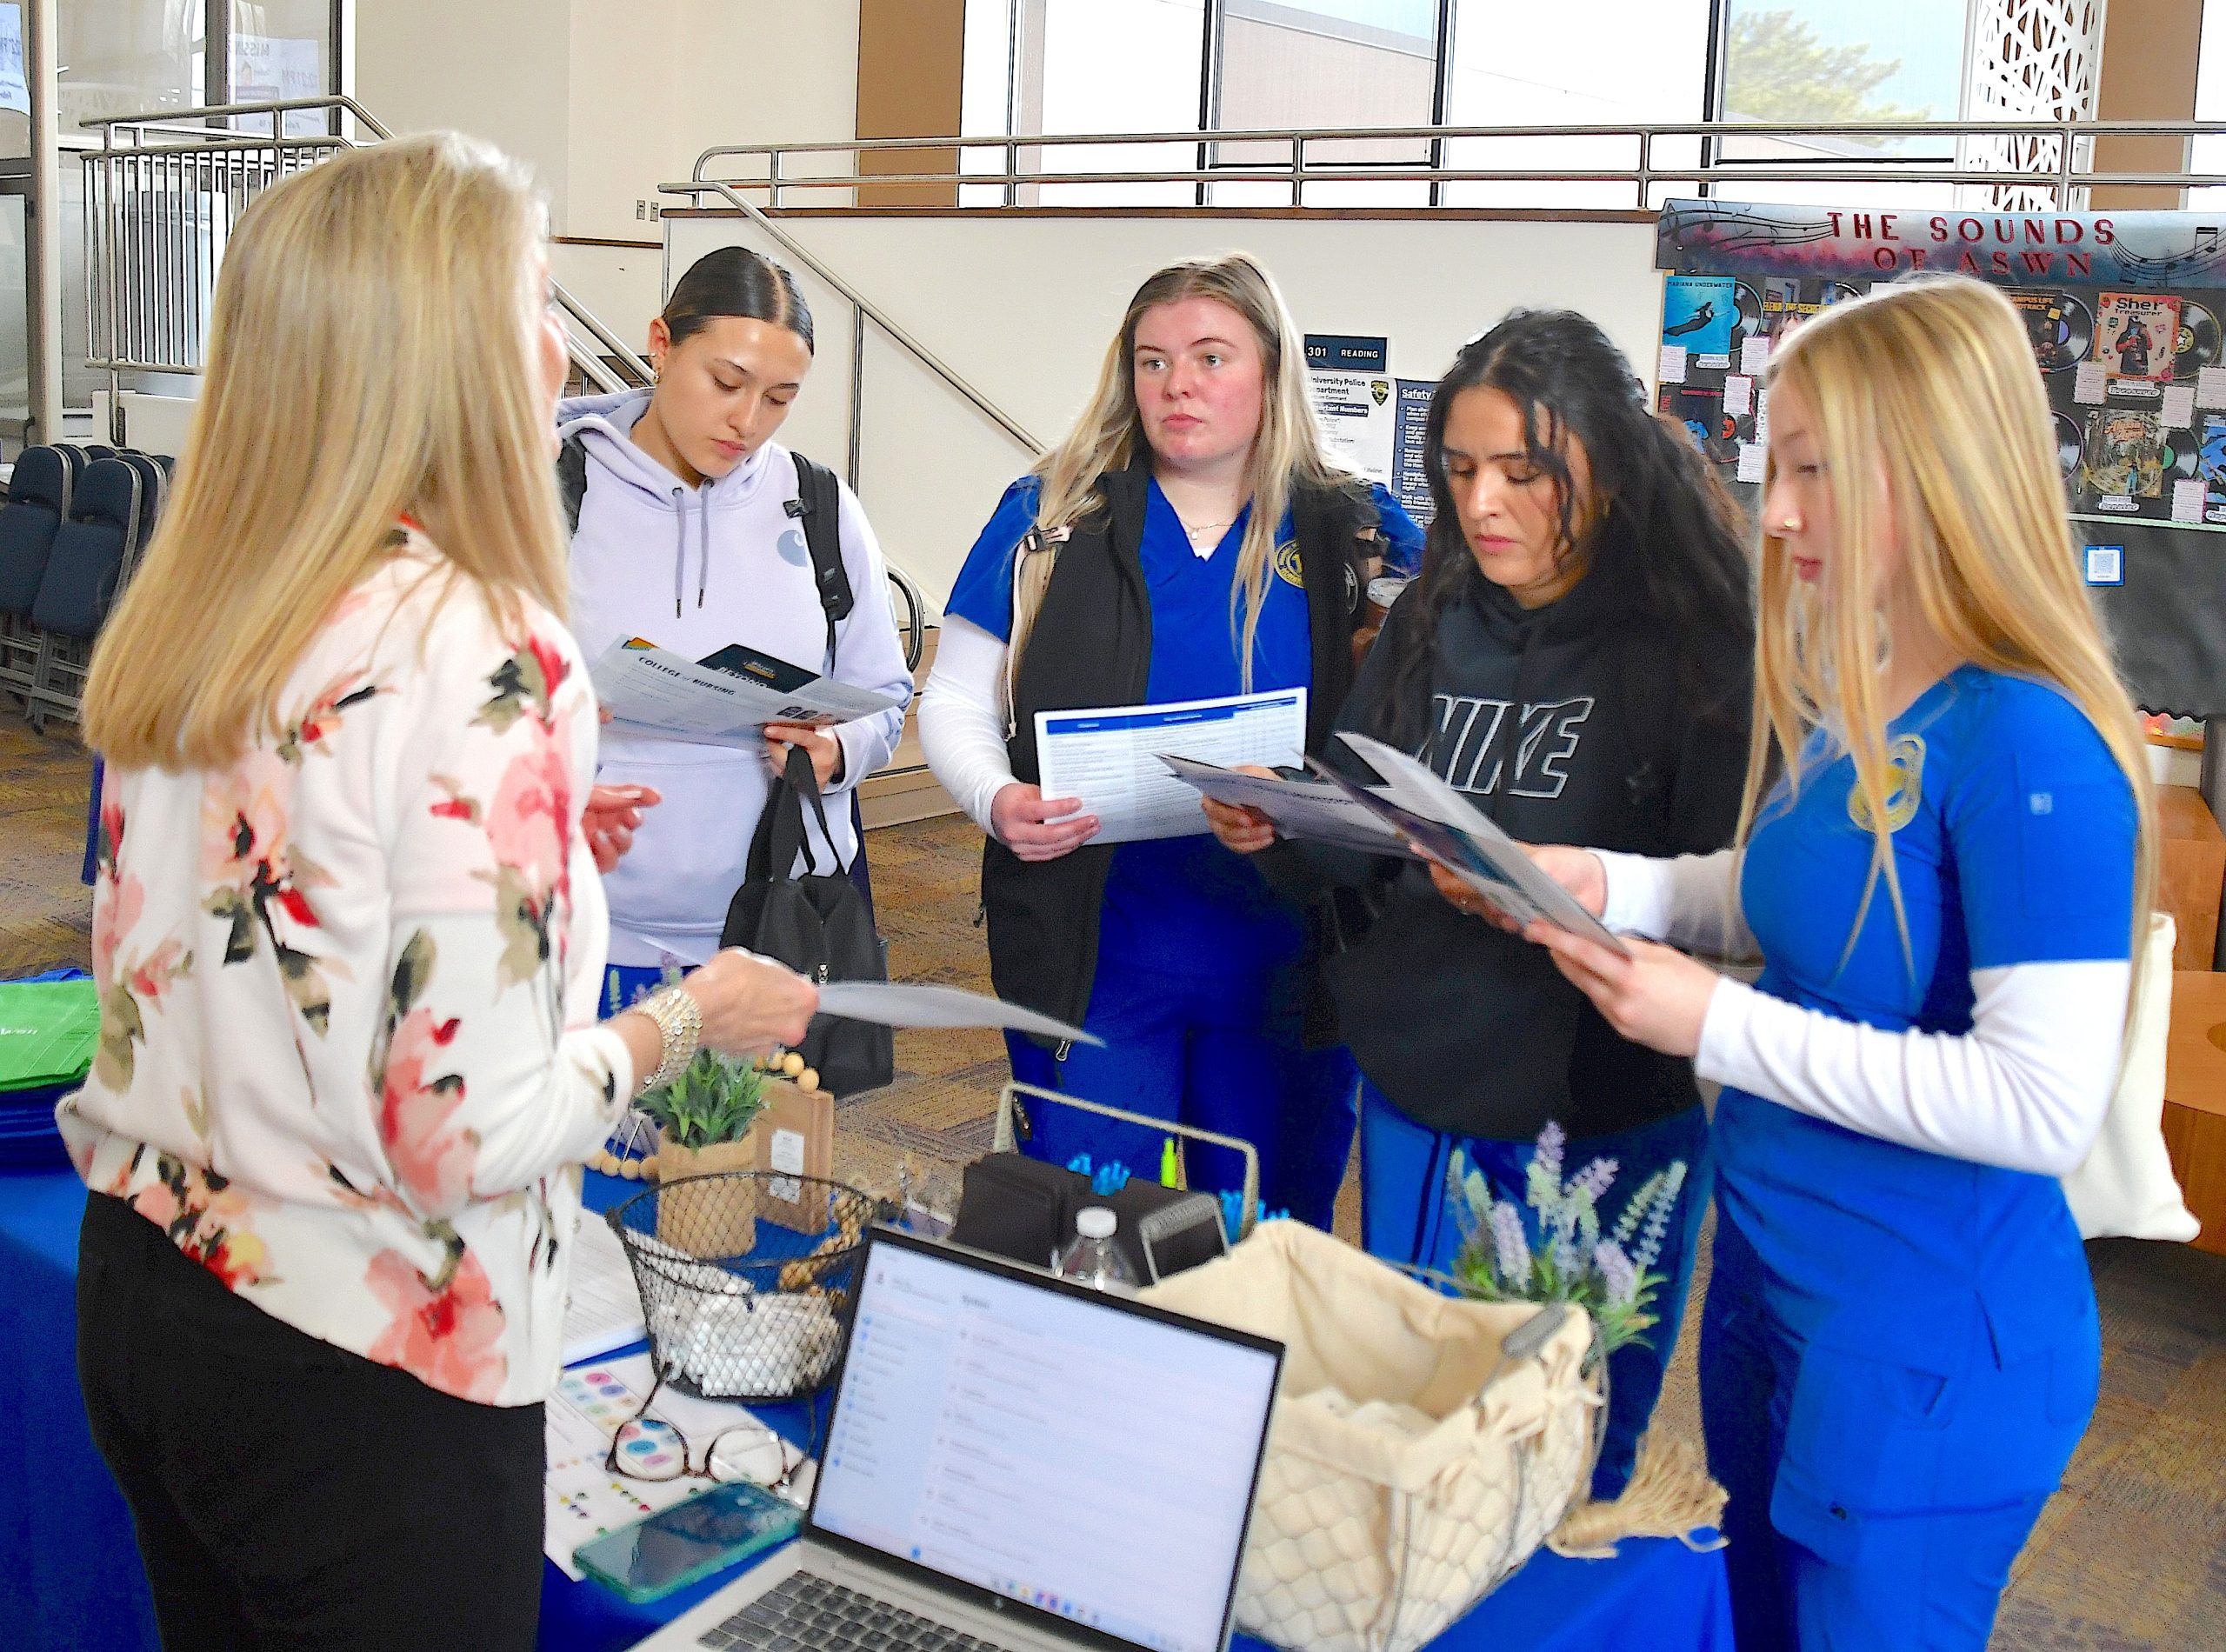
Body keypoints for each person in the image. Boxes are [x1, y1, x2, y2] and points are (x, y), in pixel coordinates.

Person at [63, 135, 818, 1650]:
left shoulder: (227, 596)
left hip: (155, 1288)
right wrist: (682, 1020)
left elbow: (266, 889)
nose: (560, 349)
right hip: (362, 1363)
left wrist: (522, 856)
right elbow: (464, 1131)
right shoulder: (481, 641)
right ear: (443, 351)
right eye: (534, 298)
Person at [1520, 275, 2155, 1649]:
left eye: (1815, 469)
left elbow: (2041, 1104)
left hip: (1921, 1340)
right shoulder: (1871, 695)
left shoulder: (2029, 747)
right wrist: (1615, 886)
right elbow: (1789, 898)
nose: (1779, 510)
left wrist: (1716, 1026)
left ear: (1937, 473)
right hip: (1782, 1291)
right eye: (1775, 466)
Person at [1202, 309, 1753, 1498]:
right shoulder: (1431, 615)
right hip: (1424, 1083)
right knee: (1414, 1440)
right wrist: (1281, 821)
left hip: (1602, 1107)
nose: (1484, 504)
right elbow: (1363, 827)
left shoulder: (1694, 642)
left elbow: (1741, 904)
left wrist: (1577, 891)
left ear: (1599, 462)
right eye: (1459, 473)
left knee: (1566, 1455)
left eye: (1522, 472)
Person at [917, 252, 1422, 1228]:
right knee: (1088, 1234)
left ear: (1272, 371)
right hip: (1096, 959)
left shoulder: (1355, 531)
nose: (1176, 385)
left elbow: (1425, 729)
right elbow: (953, 698)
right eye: (1152, 362)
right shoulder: (1053, 514)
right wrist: (994, 799)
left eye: (1209, 357)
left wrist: (1303, 808)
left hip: (1288, 962)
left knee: (1266, 1245)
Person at [564, 246, 913, 1015]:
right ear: (661, 345)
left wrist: (837, 751)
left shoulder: (818, 504)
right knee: (589, 1136)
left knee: (748, 1136)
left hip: (768, 926)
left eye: (780, 398)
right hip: (577, 926)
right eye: (726, 383)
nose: (746, 421)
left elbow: (885, 697)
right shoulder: (554, 489)